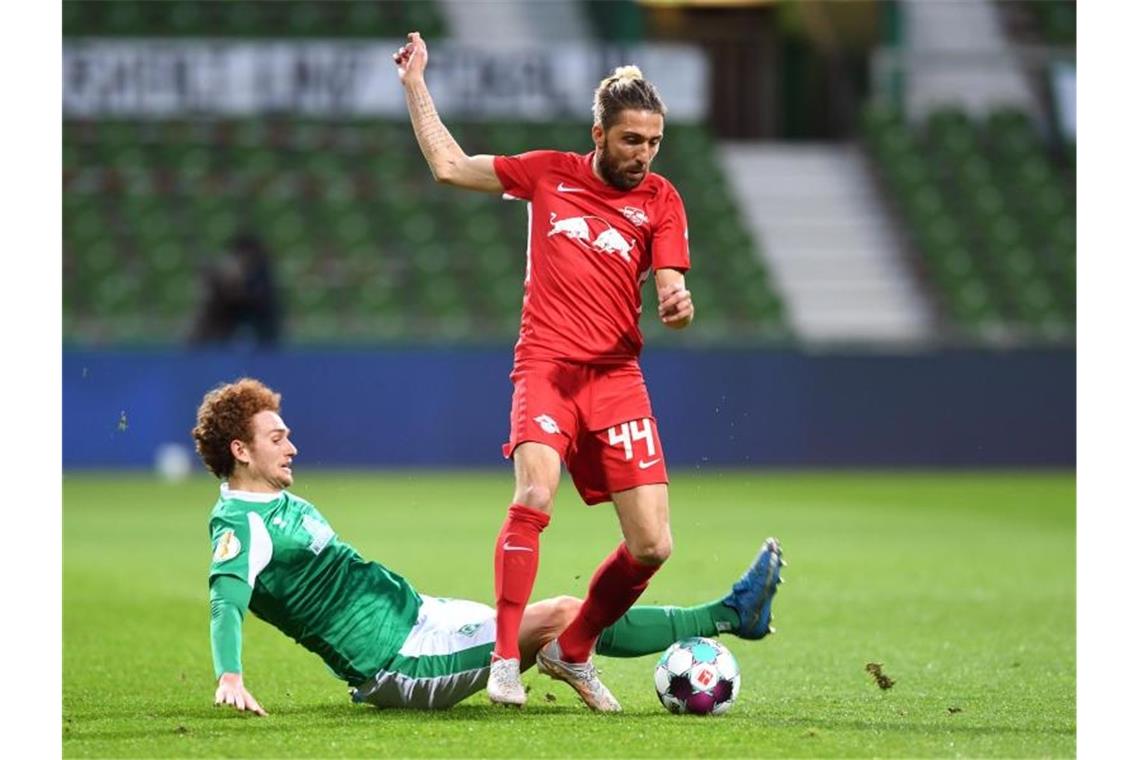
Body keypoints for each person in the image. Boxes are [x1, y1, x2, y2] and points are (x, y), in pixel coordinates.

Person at [393, 32, 777, 711]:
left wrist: (677, 304)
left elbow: (670, 292)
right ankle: (507, 659)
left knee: (653, 544)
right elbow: (451, 168)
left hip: (616, 377)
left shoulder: (661, 200)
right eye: (632, 140)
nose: (644, 155)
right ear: (598, 133)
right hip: (545, 366)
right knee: (535, 495)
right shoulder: (548, 174)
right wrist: (416, 85)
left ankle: (573, 651)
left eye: (654, 142)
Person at [194, 378, 785, 715]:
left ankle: (731, 615)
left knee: (559, 619)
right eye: (277, 438)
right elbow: (226, 598)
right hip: (400, 662)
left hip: (420, 617)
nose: (291, 446)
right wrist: (230, 675)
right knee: (561, 615)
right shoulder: (240, 526)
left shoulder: (271, 503)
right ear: (241, 452)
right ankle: (729, 615)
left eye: (288, 434)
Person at [188, 233, 282, 348]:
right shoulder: (226, 274)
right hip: (224, 324)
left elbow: (256, 299)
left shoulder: (261, 273)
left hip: (259, 324)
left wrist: (235, 288)